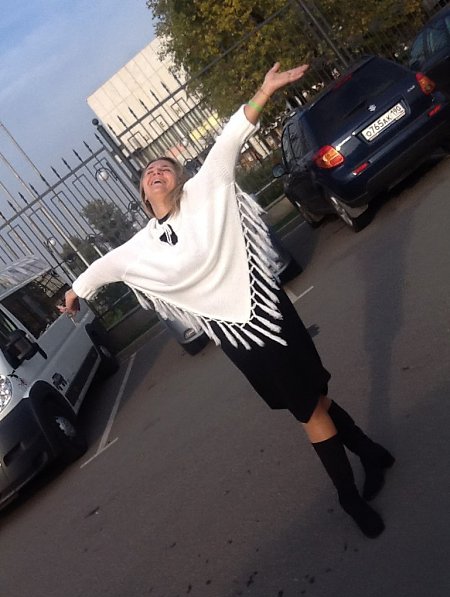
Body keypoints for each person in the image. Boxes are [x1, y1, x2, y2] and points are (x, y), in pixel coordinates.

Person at [60, 62, 394, 538]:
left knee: (309, 406)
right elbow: (101, 269)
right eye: (149, 172)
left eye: (165, 167)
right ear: (143, 193)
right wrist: (74, 292)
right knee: (310, 402)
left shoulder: (207, 189)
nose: (157, 171)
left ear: (179, 178)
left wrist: (265, 90)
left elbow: (232, 136)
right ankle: (368, 452)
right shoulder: (138, 248)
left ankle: (349, 496)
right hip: (237, 337)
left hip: (269, 312)